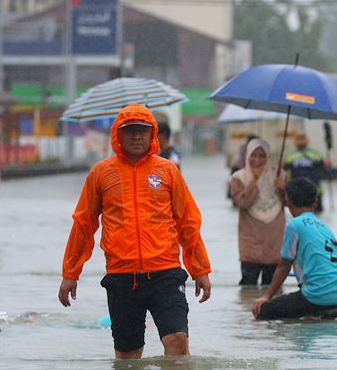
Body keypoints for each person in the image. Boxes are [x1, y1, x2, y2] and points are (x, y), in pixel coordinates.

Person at [58, 104, 212, 359]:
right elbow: (84, 225)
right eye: (130, 131)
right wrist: (70, 273)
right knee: (128, 358)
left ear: (152, 135)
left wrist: (200, 269)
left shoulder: (168, 171)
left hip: (166, 274)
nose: (137, 136)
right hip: (121, 277)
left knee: (177, 342)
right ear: (118, 135)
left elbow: (188, 222)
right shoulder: (101, 173)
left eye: (143, 130)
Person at [252, 177, 337, 320]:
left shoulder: (294, 225)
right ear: (315, 202)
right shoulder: (324, 226)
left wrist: (266, 296)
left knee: (263, 312)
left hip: (318, 296)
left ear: (288, 202)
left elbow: (284, 266)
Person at [230, 138, 286, 285]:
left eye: (262, 156)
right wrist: (254, 180)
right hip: (251, 243)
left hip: (274, 241)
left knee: (272, 287)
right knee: (248, 286)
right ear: (247, 156)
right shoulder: (238, 178)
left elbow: (290, 204)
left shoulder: (279, 175)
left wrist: (281, 188)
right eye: (253, 156)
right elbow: (242, 202)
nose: (257, 160)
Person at [283, 131, 327, 213]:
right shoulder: (317, 155)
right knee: (317, 217)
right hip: (315, 191)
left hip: (297, 193)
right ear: (307, 141)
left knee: (299, 215)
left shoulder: (290, 157)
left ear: (295, 142)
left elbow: (285, 176)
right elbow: (326, 171)